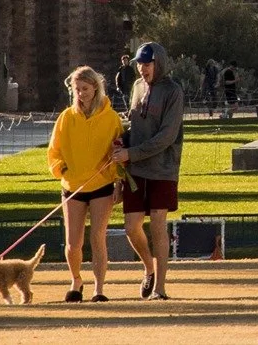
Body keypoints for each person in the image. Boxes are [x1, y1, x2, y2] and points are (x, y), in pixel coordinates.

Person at [113, 42, 184, 300]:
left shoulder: (173, 92)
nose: (142, 69)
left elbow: (167, 136)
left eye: (147, 64)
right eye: (140, 64)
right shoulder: (136, 87)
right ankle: (148, 267)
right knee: (132, 227)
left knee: (157, 223)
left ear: (159, 64)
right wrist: (123, 141)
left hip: (163, 169)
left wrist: (132, 153)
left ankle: (160, 288)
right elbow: (135, 125)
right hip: (135, 169)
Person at [48, 66, 122, 302]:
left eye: (85, 89)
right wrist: (62, 169)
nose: (81, 93)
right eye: (77, 89)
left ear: (96, 88)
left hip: (101, 185)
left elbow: (118, 149)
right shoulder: (66, 117)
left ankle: (99, 288)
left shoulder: (111, 118)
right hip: (72, 186)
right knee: (73, 243)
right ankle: (76, 279)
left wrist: (115, 175)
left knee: (97, 237)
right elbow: (54, 150)